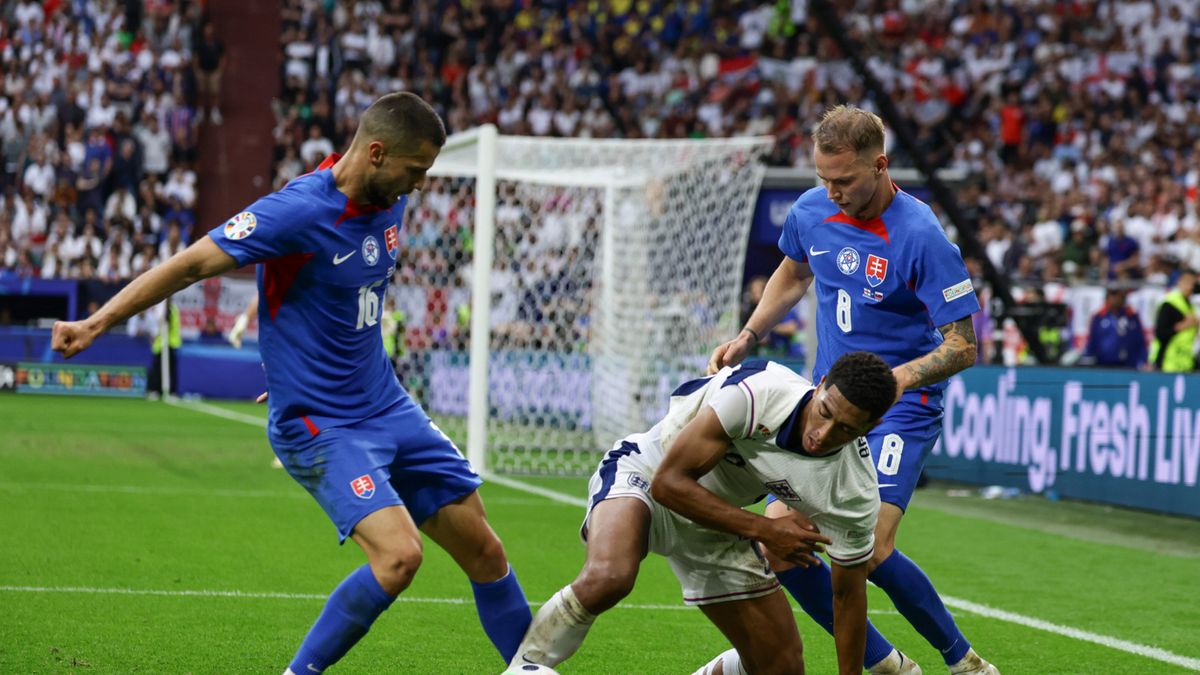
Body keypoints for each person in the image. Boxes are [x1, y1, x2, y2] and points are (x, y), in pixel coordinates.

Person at [51, 92, 531, 673]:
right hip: (320, 424)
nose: (421, 185)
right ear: (376, 153)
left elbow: (341, 304)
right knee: (400, 557)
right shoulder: (298, 211)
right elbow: (192, 264)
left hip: (388, 404)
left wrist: (291, 359)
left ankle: (531, 667)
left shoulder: (390, 199)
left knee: (486, 550)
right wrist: (95, 322)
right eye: (415, 171)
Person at [709, 106, 997, 675]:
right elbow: (793, 274)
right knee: (783, 546)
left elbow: (963, 345)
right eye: (825, 180)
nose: (833, 192)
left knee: (871, 550)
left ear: (882, 165)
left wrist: (895, 381)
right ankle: (886, 663)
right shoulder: (812, 211)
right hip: (827, 407)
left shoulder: (921, 236)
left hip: (898, 408)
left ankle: (963, 663)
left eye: (845, 180)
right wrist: (750, 332)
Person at [508, 353, 918, 675]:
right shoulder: (761, 391)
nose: (822, 435)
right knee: (610, 577)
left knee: (782, 666)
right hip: (648, 472)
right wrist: (767, 531)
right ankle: (524, 666)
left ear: (872, 427)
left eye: (846, 430)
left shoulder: (855, 493)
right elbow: (669, 484)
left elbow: (848, 597)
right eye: (825, 412)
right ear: (821, 384)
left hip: (718, 521)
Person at [1083, 288, 1146, 369]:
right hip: (1103, 364)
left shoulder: (1131, 317)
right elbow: (1092, 341)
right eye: (1113, 295)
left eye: (1119, 295)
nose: (1116, 298)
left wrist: (1143, 360)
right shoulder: (1099, 317)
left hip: (1128, 365)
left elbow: (1139, 341)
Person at [1150, 268, 1198, 372]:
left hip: (1185, 363)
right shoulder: (1169, 304)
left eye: (1192, 282)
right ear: (1180, 281)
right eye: (1187, 281)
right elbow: (1160, 333)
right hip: (1167, 362)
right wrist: (1183, 325)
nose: (1190, 286)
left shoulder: (1192, 307)